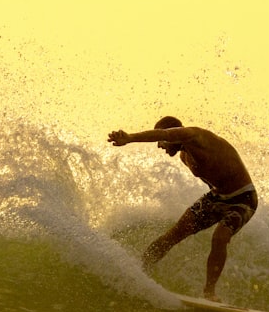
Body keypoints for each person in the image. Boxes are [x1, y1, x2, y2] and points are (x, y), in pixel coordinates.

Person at [108, 116, 257, 301]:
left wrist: (129, 138)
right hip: (217, 197)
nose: (160, 146)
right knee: (172, 235)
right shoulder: (184, 156)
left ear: (172, 135)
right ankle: (139, 272)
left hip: (243, 197)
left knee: (220, 237)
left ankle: (209, 293)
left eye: (161, 142)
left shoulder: (195, 136)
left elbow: (164, 134)